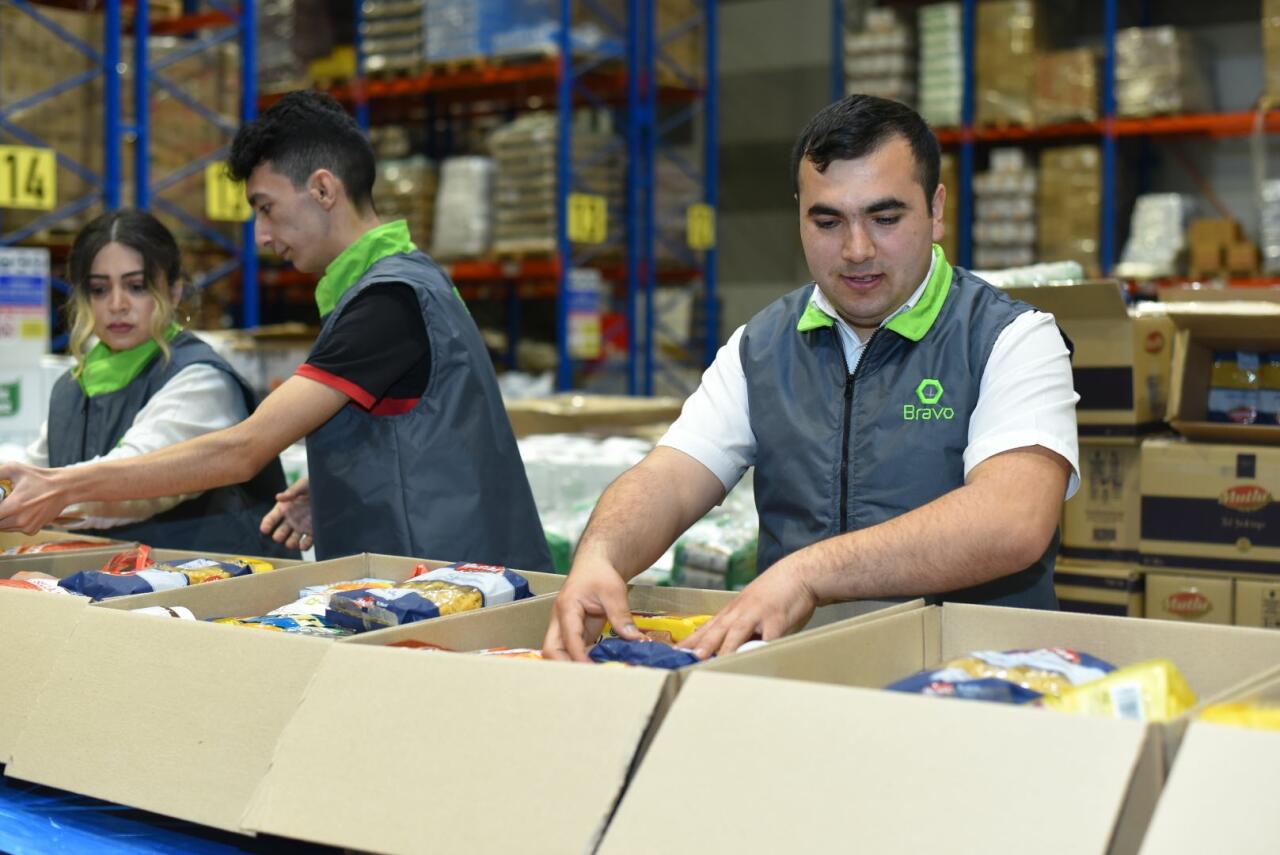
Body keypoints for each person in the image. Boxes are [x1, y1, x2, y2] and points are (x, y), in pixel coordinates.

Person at [543, 95, 1080, 662]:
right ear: (799, 215)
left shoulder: (1010, 337)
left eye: (885, 219)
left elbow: (1013, 519)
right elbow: (672, 478)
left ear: (936, 209)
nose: (856, 250)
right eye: (828, 222)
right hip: (803, 672)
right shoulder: (762, 346)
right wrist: (600, 556)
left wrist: (808, 573)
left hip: (972, 680)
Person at [0, 91, 553, 572]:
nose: (262, 236)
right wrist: (347, 482)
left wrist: (61, 486)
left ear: (323, 189)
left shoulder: (387, 301)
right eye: (98, 289)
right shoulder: (402, 282)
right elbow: (425, 427)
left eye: (266, 208)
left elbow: (244, 450)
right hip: (446, 574)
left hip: (457, 582)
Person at [5, 209, 295, 558]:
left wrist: (49, 491)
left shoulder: (201, 378)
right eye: (99, 289)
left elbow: (139, 473)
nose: (117, 305)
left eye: (136, 286)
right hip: (111, 582)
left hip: (212, 583)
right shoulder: (73, 386)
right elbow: (35, 467)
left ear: (173, 291)